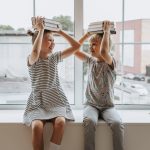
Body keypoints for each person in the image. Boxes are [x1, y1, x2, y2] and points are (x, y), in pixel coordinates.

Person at [23, 16, 80, 150]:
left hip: (55, 99)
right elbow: (36, 51)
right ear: (38, 41)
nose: (53, 43)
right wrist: (41, 29)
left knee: (60, 122)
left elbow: (76, 46)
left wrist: (60, 32)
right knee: (37, 126)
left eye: (54, 41)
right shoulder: (32, 59)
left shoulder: (54, 57)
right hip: (38, 101)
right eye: (50, 40)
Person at [74, 20, 124, 150]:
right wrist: (87, 35)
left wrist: (107, 32)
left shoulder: (111, 62)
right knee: (89, 121)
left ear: (104, 46)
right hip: (91, 105)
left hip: (108, 106)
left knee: (117, 123)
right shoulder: (91, 61)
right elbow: (75, 50)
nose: (90, 47)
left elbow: (103, 52)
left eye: (94, 44)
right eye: (90, 44)